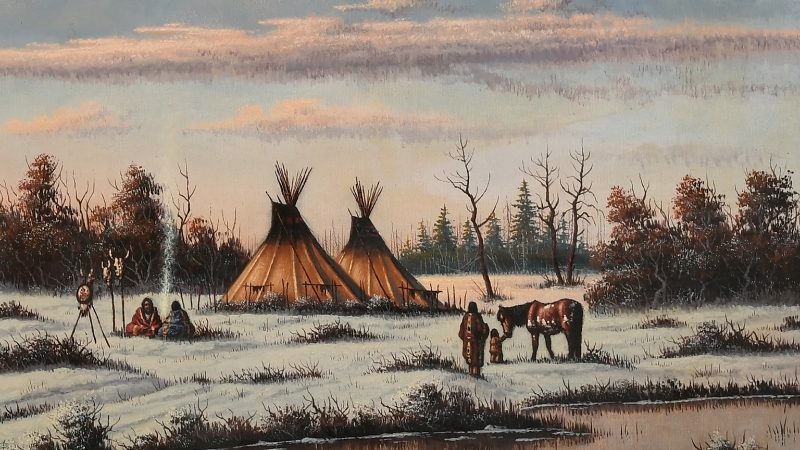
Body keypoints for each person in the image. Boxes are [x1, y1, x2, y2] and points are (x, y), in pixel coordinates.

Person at [458, 301, 489, 378]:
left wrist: (465, 338)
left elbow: (461, 332)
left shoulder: (465, 317)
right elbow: (480, 329)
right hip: (475, 343)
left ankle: (471, 375)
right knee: (476, 360)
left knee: (470, 360)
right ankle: (476, 376)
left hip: (467, 342)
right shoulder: (477, 317)